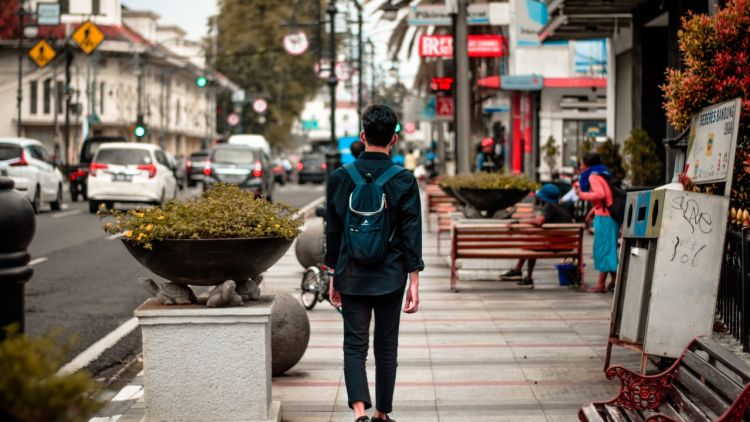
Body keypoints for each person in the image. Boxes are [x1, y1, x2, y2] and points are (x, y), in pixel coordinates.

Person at [325, 104, 424, 422]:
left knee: (354, 344)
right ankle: (382, 413)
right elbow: (411, 233)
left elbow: (334, 231)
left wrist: (332, 276)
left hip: (351, 274)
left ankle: (358, 413)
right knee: (386, 346)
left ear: (362, 135)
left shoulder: (341, 177)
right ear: (394, 140)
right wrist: (414, 281)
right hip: (390, 275)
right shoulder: (404, 180)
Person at [501, 184, 573, 286]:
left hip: (557, 245)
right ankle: (518, 271)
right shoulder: (562, 207)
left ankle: (526, 276)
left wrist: (518, 222)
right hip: (569, 245)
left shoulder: (549, 206)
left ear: (543, 197)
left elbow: (539, 221)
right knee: (531, 243)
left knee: (531, 245)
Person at [574, 152, 619, 292]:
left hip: (605, 218)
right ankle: (616, 280)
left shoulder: (593, 176)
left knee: (603, 250)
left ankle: (601, 284)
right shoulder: (601, 174)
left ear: (587, 164)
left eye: (581, 163)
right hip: (605, 215)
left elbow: (601, 194)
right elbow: (606, 198)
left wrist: (581, 195)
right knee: (608, 249)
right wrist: (593, 211)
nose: (580, 166)